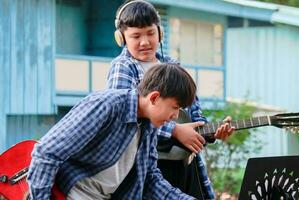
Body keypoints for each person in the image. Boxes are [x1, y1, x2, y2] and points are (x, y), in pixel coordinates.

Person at [108, 0, 234, 199]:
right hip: (148, 168)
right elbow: (125, 116)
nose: (145, 41)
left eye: (150, 33)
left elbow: (193, 113)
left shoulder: (173, 66)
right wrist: (174, 130)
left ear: (160, 33)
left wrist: (212, 132)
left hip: (185, 166)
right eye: (136, 36)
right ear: (121, 38)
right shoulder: (123, 66)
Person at [27, 64, 198, 199]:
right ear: (154, 98)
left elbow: (149, 179)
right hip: (68, 193)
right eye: (175, 108)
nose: (175, 116)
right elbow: (46, 153)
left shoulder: (150, 126)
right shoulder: (106, 105)